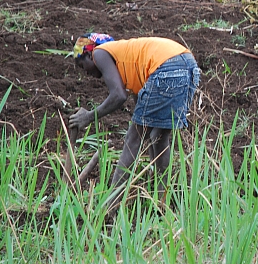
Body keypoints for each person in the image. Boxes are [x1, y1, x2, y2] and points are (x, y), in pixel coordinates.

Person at [69, 33, 201, 209]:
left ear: (87, 54)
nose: (84, 71)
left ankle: (110, 205)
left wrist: (88, 117)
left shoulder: (99, 52)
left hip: (167, 67)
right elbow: (140, 106)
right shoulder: (127, 61)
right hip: (187, 65)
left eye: (81, 64)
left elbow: (118, 95)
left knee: (133, 138)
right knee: (159, 136)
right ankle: (161, 203)